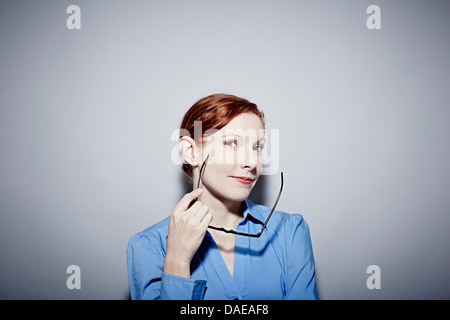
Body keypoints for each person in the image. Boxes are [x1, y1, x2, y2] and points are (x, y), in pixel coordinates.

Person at [126, 94, 319, 300]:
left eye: (257, 147)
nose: (251, 162)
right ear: (191, 151)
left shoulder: (289, 231)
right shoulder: (149, 245)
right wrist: (177, 260)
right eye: (231, 143)